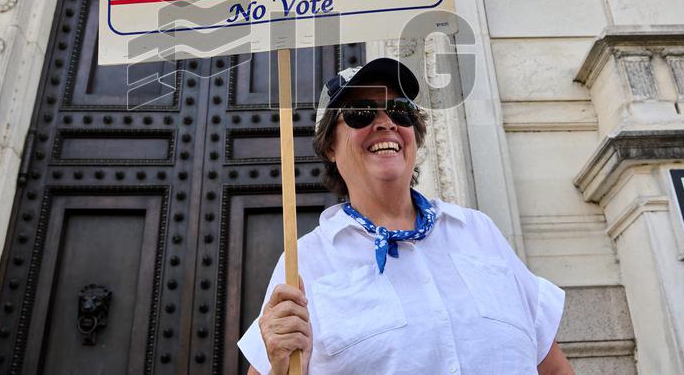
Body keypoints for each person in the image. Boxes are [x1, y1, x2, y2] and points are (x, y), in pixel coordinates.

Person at [238, 57, 573, 374]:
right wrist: (279, 368)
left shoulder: (478, 231)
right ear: (329, 146)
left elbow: (553, 368)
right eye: (360, 112)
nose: (386, 122)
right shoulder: (305, 261)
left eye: (400, 110)